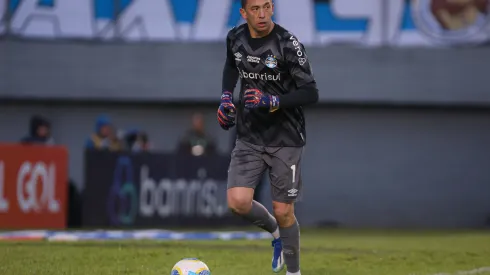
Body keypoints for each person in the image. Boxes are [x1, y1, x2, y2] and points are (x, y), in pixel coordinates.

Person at [217, 1, 319, 274]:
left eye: (266, 6)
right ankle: (275, 232)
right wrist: (226, 97)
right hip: (249, 134)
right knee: (237, 202)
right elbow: (231, 66)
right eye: (254, 8)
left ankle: (294, 272)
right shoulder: (235, 38)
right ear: (243, 12)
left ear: (272, 7)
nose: (261, 14)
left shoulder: (288, 44)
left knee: (284, 210)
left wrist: (272, 99)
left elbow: (310, 92)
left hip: (286, 138)